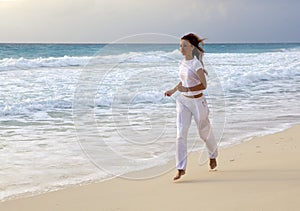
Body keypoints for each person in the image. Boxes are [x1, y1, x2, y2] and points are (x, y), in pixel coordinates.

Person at [164, 33, 218, 181]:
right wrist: (173, 90)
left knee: (204, 133)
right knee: (181, 134)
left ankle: (213, 155)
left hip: (198, 102)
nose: (182, 48)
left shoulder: (196, 65)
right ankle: (180, 168)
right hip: (183, 102)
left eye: (185, 45)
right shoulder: (182, 63)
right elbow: (183, 82)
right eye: (180, 45)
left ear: (192, 47)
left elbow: (203, 85)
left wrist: (187, 90)